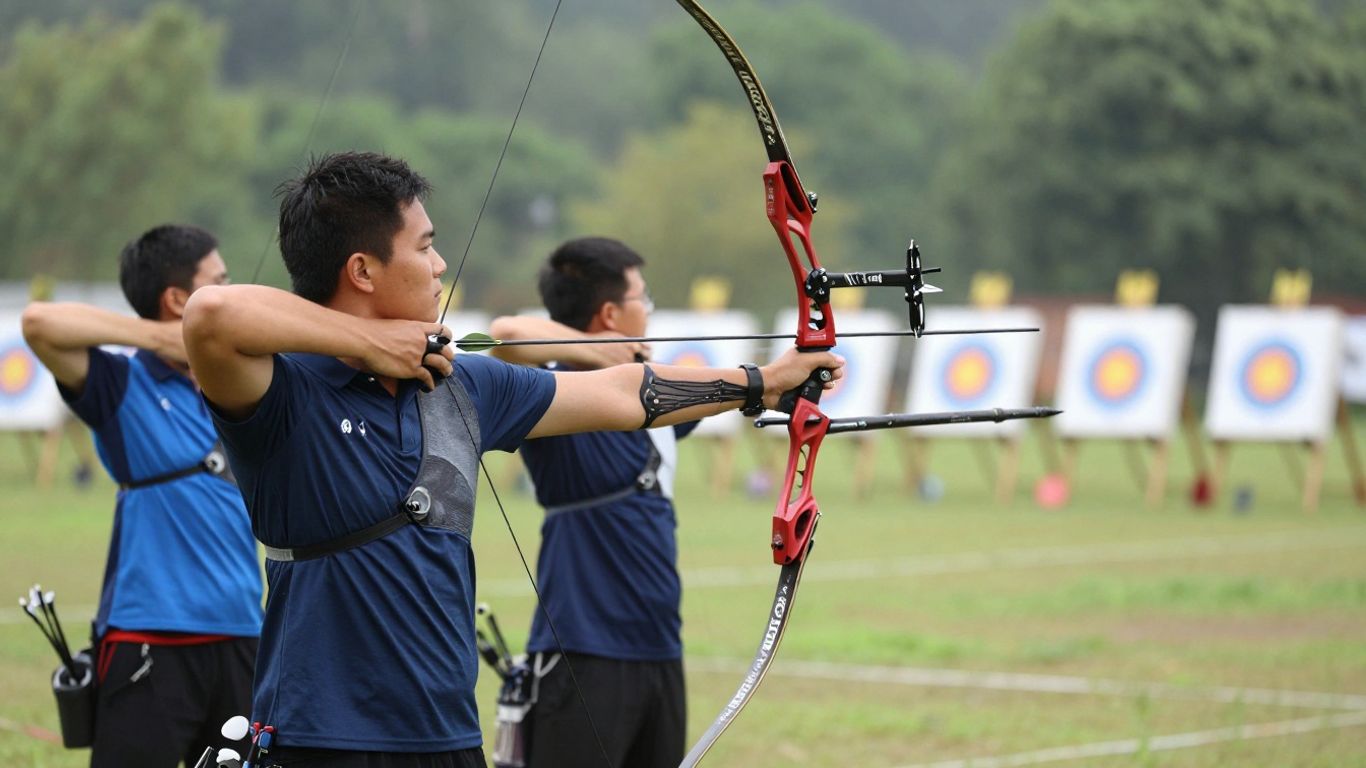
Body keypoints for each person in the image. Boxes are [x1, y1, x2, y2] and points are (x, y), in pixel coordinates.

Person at [181, 151, 843, 767]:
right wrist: (370, 344)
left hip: (448, 736)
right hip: (319, 736)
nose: (440, 265)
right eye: (425, 246)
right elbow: (211, 314)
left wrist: (762, 381)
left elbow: (622, 394)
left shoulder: (464, 384)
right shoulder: (282, 391)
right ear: (362, 270)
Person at [21, 225, 262, 768]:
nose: (231, 293)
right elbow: (39, 324)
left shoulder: (237, 380)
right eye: (217, 283)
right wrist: (160, 338)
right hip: (152, 640)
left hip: (245, 636)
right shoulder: (123, 384)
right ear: (178, 299)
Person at [487, 237, 692, 768]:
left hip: (659, 648)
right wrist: (605, 356)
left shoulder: (658, 395)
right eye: (641, 299)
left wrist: (792, 379)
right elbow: (507, 336)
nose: (647, 311)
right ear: (609, 313)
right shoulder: (553, 393)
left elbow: (735, 390)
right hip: (581, 650)